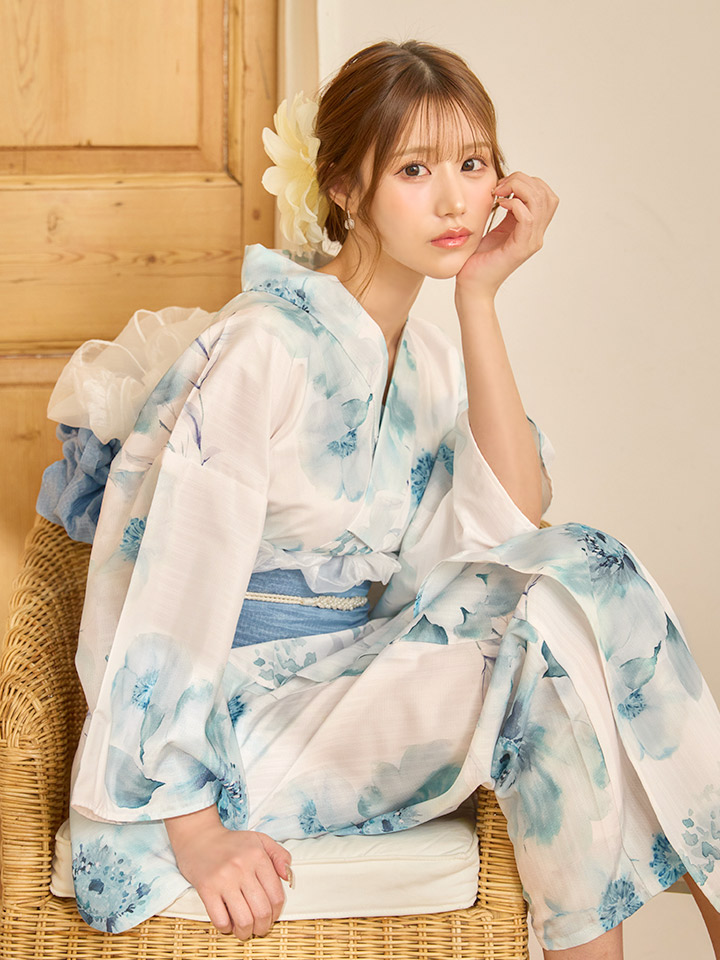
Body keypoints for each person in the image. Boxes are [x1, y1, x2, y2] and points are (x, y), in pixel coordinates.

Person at [37, 39, 720, 959]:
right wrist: (193, 827)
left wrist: (480, 299)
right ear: (346, 189)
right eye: (414, 169)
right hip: (236, 734)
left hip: (351, 688)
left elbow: (515, 527)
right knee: (558, 600)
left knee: (567, 591)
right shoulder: (264, 346)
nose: (455, 201)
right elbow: (170, 585)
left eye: (473, 164)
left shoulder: (429, 359)